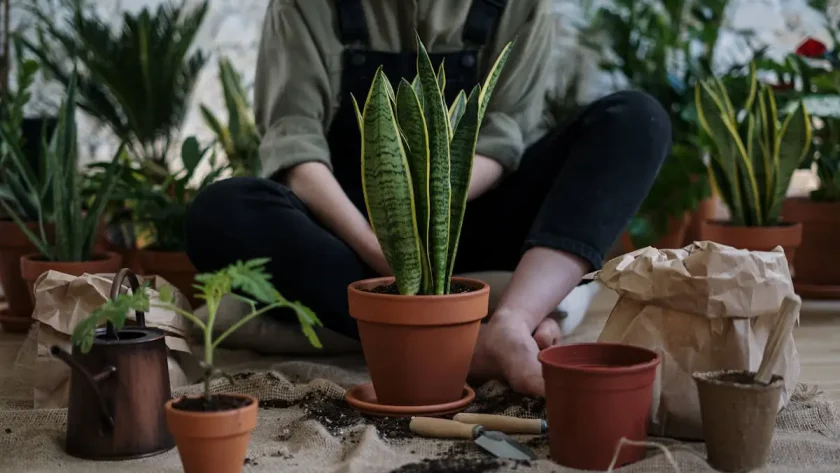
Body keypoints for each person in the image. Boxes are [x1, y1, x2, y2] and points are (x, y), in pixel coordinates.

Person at [185, 0, 671, 397]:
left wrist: (436, 214)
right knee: (221, 212)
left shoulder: (518, 5)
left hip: (473, 215)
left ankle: (511, 321)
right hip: (354, 242)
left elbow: (503, 137)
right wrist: (386, 249)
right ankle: (461, 339)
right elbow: (295, 146)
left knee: (637, 120)